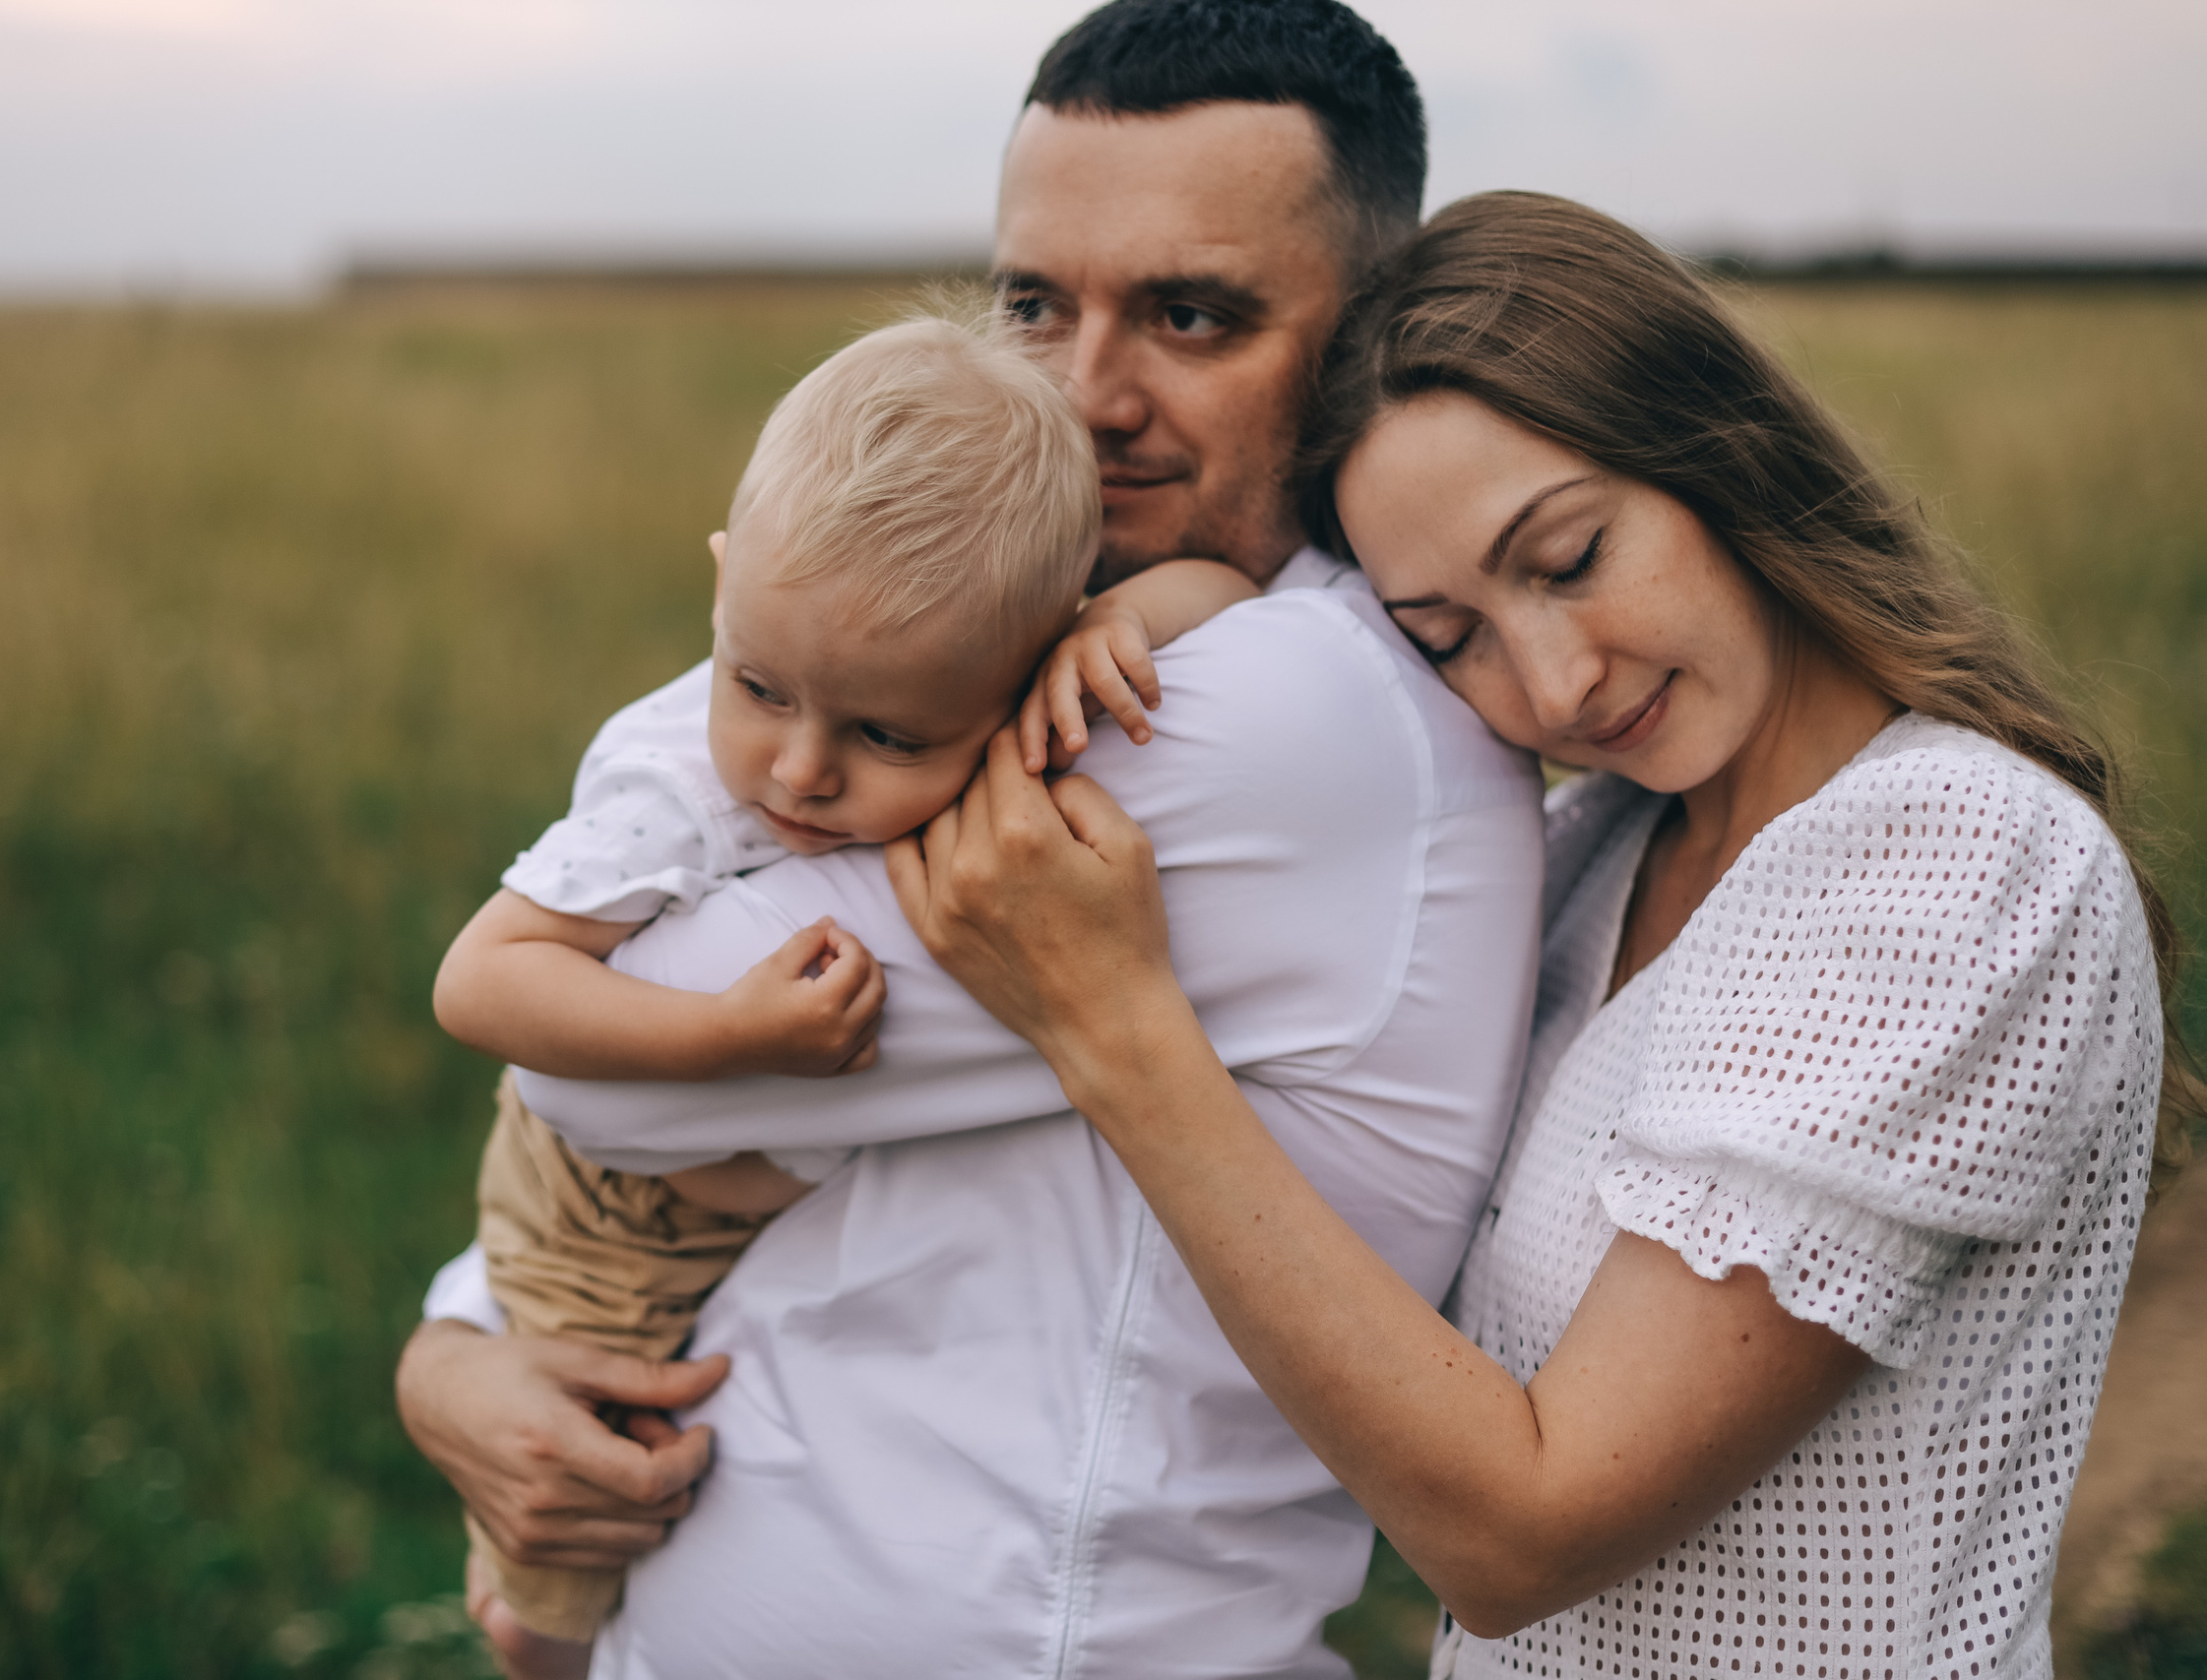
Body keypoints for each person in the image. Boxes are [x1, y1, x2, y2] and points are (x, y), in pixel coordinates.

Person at [893, 191, 2187, 1680]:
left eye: (1569, 558)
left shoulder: (1961, 858)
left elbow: (1524, 1533)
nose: (1557, 684)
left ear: (1720, 449)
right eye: (1451, 639)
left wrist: (1117, 1034)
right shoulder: (1595, 852)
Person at [403, 4, 1545, 1675]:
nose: (1083, 396)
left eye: (1191, 315)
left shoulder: (1262, 713)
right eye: (1033, 305)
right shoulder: (995, 652)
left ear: (1369, 334)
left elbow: (600, 1078)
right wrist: (462, 1349)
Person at [426, 309, 1118, 1649]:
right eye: (757, 686)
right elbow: (484, 984)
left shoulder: (941, 669)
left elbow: (1215, 602)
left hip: (730, 1216)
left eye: (887, 736)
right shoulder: (676, 790)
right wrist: (727, 1034)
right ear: (722, 584)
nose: (800, 770)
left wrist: (1123, 625)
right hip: (610, 1220)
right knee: (579, 1526)